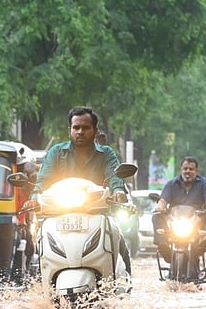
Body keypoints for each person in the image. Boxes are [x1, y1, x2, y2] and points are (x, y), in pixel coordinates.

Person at [23, 106, 130, 271]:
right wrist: (34, 197)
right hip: (59, 214)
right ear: (69, 130)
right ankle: (42, 281)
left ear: (95, 130)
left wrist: (118, 191)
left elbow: (114, 176)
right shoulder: (56, 152)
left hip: (98, 214)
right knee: (38, 244)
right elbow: (44, 179)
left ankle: (124, 287)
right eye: (76, 127)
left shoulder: (106, 153)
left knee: (119, 245)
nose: (80, 131)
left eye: (86, 128)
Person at [153, 156, 206, 262]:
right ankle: (163, 245)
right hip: (175, 220)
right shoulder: (171, 184)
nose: (187, 171)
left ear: (196, 171)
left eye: (191, 169)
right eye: (185, 169)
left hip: (198, 219)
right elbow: (163, 200)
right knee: (156, 215)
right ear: (181, 170)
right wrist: (159, 208)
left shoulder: (204, 183)